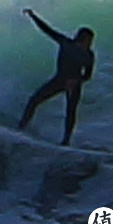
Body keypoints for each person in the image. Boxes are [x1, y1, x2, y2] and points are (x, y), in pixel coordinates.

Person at [18, 9, 95, 146]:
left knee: (70, 112)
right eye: (89, 40)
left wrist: (77, 80)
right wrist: (33, 16)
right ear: (82, 38)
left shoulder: (89, 55)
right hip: (59, 80)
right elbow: (48, 30)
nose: (90, 43)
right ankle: (21, 128)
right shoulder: (66, 43)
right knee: (34, 100)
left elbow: (88, 75)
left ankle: (66, 141)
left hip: (74, 84)